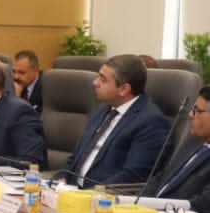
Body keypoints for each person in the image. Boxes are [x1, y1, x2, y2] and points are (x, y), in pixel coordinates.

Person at [58, 54, 168, 188]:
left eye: (103, 79)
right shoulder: (103, 107)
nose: (95, 83)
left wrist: (87, 195)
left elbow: (132, 176)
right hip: (71, 190)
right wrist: (58, 181)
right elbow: (76, 156)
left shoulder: (151, 122)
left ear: (124, 89)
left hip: (101, 196)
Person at [141, 86, 210, 208]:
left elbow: (202, 205)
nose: (190, 114)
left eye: (196, 110)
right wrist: (140, 203)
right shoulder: (193, 141)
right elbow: (161, 178)